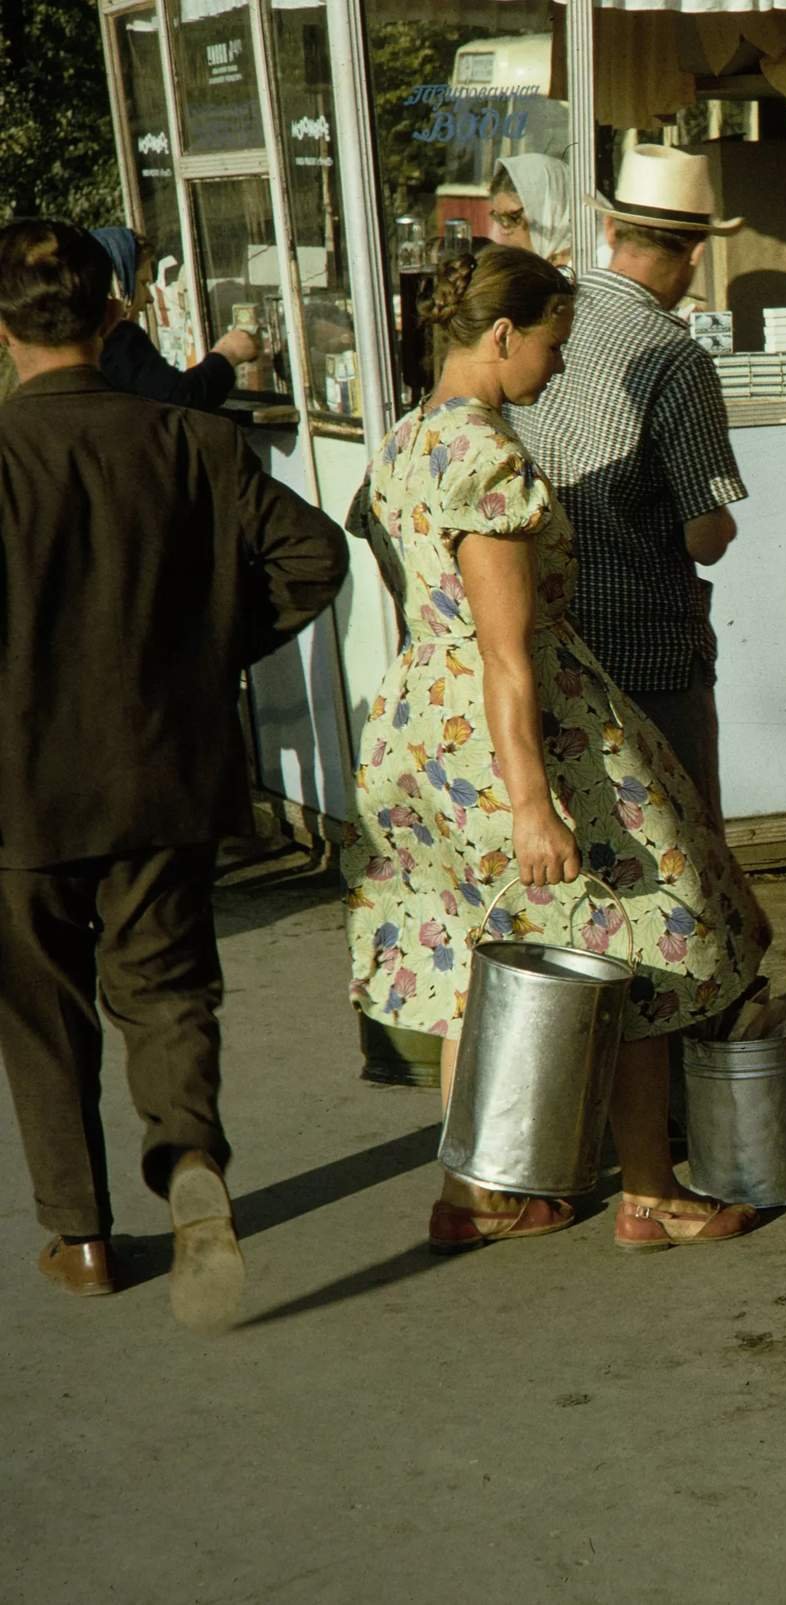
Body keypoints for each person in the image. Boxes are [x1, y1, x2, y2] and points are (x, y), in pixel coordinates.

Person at [342, 245, 770, 1253]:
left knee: (467, 957)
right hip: (516, 733)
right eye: (553, 344)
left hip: (424, 730)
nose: (560, 368)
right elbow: (505, 651)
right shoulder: (485, 457)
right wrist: (534, 801)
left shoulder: (407, 441)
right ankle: (652, 1192)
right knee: (644, 929)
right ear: (502, 336)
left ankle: (478, 1191)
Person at [0, 219, 347, 1328]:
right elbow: (314, 555)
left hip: (19, 789)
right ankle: (191, 1160)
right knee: (166, 988)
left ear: (2, 329)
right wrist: (204, 650)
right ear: (113, 316)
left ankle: (83, 1236)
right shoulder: (192, 443)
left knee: (42, 1012)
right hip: (166, 766)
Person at [512, 144, 747, 823]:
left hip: (543, 641)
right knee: (684, 845)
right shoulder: (676, 357)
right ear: (697, 252)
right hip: (648, 654)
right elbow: (706, 537)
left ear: (611, 230)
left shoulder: (544, 321)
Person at [89, 227, 259, 410]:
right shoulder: (120, 339)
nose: (150, 297)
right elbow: (182, 399)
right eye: (143, 283)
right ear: (119, 285)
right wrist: (228, 353)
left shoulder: (82, 337)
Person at [489, 155, 573, 266]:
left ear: (550, 210)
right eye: (498, 218)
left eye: (512, 217)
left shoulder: (596, 261)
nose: (504, 230)